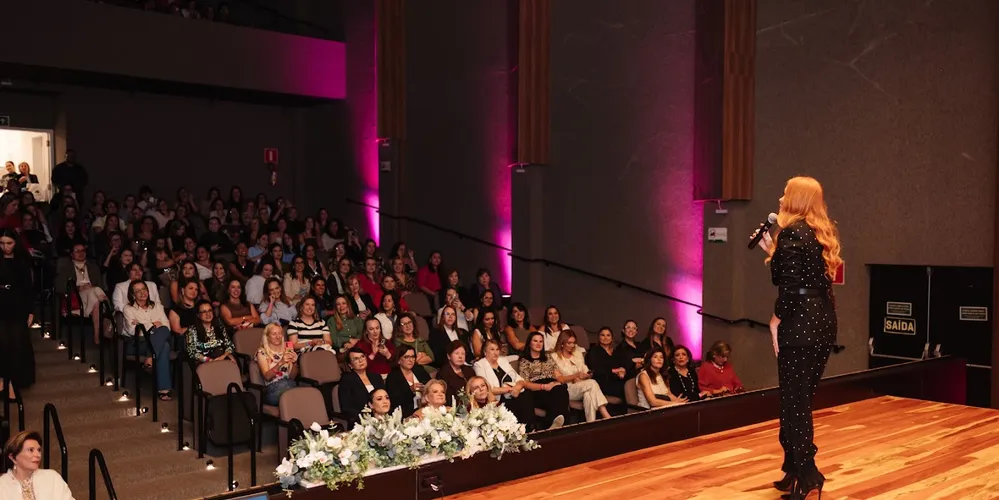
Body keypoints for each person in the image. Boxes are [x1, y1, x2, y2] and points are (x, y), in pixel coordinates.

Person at [752, 175, 841, 500]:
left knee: (795, 402)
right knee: (799, 398)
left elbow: (788, 290)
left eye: (786, 193)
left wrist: (776, 320)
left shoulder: (791, 232)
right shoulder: (819, 233)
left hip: (799, 326)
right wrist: (772, 248)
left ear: (797, 199)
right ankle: (793, 467)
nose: (780, 198)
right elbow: (798, 275)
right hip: (822, 324)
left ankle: (808, 474)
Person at [122, 280, 174, 401]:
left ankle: (150, 357)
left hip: (154, 341)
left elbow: (167, 327)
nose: (142, 293)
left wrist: (142, 325)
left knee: (164, 336)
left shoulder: (157, 306)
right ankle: (164, 390)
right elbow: (132, 330)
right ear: (132, 294)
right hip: (138, 342)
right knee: (164, 344)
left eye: (144, 289)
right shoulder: (128, 309)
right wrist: (152, 325)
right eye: (137, 291)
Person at [0, 229, 35, 392]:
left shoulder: (22, 262)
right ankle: (2, 382)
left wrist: (30, 311)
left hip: (17, 304)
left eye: (9, 243)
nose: (5, 247)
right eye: (2, 243)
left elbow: (28, 288)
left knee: (17, 344)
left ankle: (13, 383)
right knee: (2, 344)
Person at [1, 430, 74, 499]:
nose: (38, 455)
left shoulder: (52, 478)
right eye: (31, 450)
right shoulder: (2, 485)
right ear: (13, 457)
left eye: (39, 450)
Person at [256, 323, 300, 405]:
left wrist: (294, 363)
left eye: (280, 333)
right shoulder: (262, 352)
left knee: (292, 386)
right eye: (274, 334)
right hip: (272, 389)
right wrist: (281, 362)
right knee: (290, 389)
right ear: (267, 336)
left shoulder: (287, 349)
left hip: (289, 385)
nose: (278, 336)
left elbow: (292, 377)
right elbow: (267, 377)